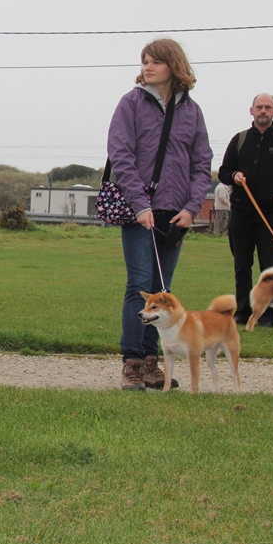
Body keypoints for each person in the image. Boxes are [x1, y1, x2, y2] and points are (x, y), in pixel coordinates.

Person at [107, 38, 212, 391]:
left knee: (161, 292)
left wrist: (191, 208)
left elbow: (202, 162)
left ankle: (153, 362)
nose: (147, 67)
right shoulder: (131, 103)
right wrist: (140, 204)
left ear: (173, 65)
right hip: (141, 210)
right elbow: (120, 155)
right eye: (144, 61)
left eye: (155, 62)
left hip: (175, 214)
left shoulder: (192, 111)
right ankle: (132, 363)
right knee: (139, 285)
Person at [218, 94, 273, 327]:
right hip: (241, 214)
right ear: (251, 111)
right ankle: (242, 312)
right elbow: (224, 171)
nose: (263, 111)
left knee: (270, 269)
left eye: (268, 107)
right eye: (259, 107)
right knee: (242, 266)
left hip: (271, 215)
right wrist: (234, 176)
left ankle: (267, 316)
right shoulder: (240, 139)